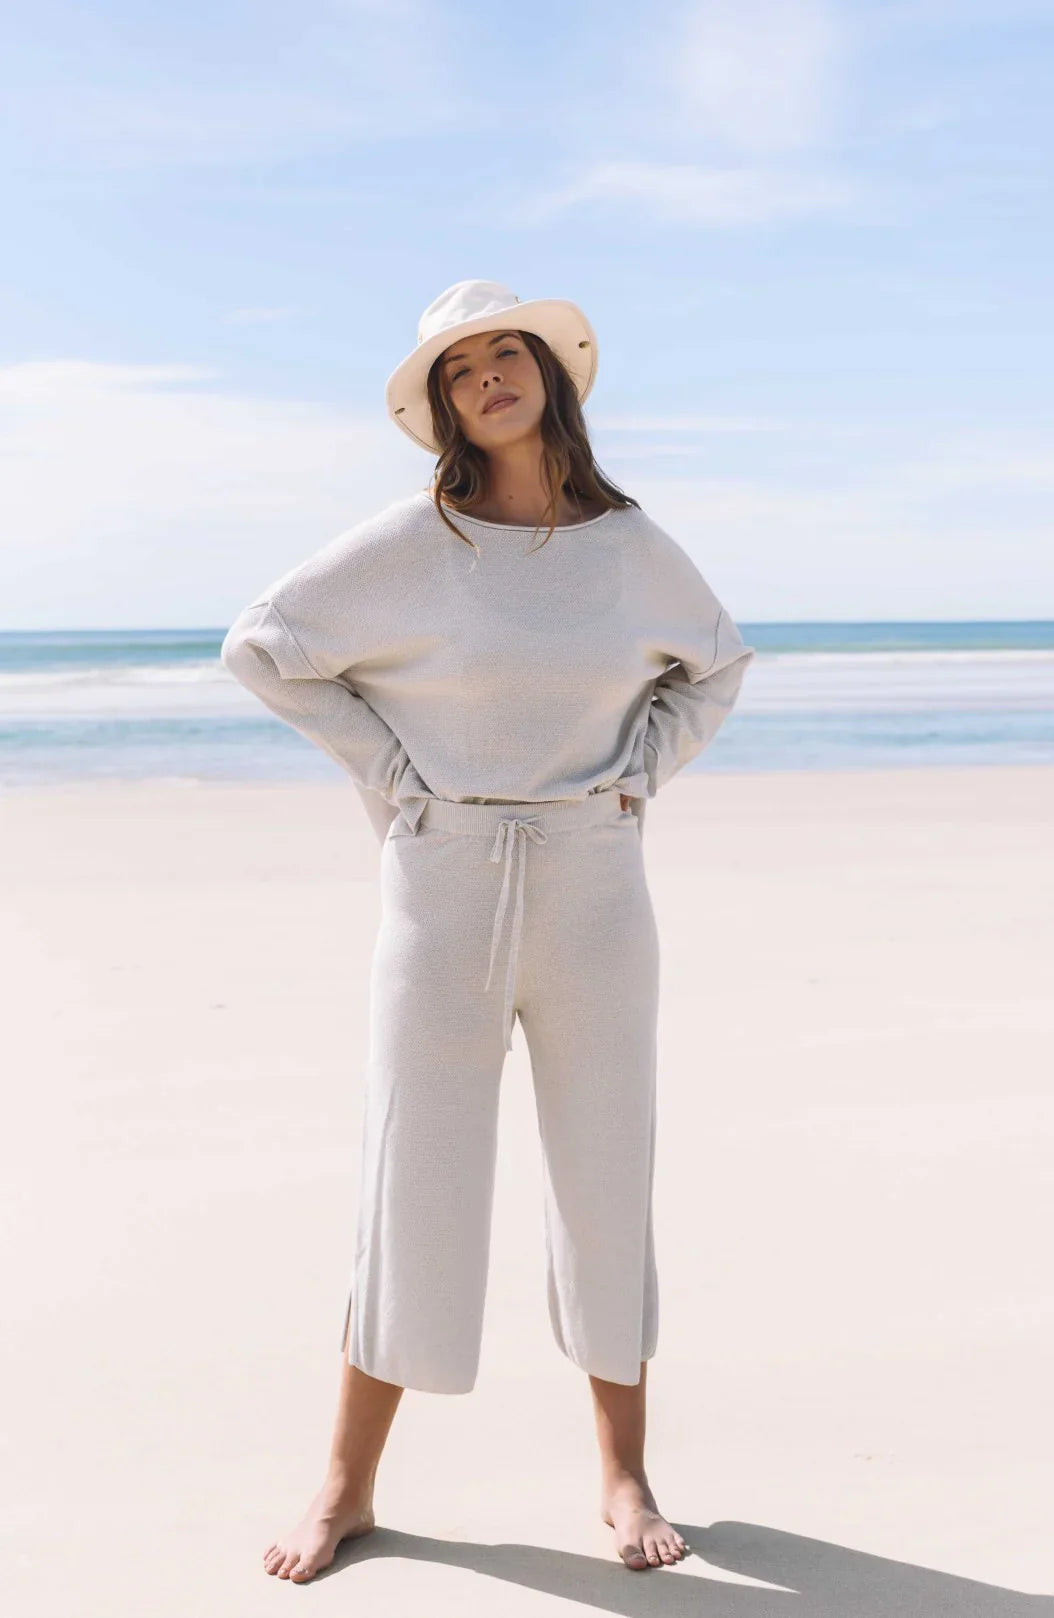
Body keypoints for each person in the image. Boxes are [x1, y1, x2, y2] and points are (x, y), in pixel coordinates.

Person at [220, 278, 756, 1583]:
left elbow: (718, 666)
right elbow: (263, 646)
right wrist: (393, 773)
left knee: (606, 1181)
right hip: (443, 888)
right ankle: (345, 1485)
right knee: (412, 1184)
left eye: (508, 353)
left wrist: (640, 772)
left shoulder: (631, 547)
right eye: (461, 370)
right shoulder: (415, 540)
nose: (489, 376)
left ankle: (624, 1474)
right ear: (445, 406)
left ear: (550, 377)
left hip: (594, 887)